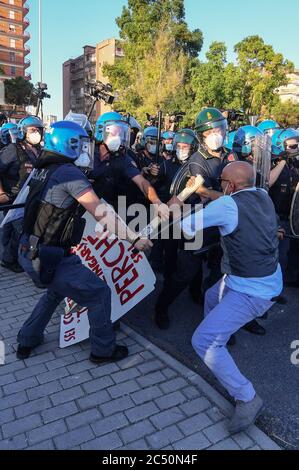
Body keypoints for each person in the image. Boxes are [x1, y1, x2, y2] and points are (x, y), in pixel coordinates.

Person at [16, 120, 152, 362]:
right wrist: (133, 239)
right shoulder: (68, 172)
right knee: (99, 293)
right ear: (68, 144)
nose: (82, 149)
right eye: (78, 144)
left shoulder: (42, 167)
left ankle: (27, 338)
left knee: (56, 291)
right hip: (48, 255)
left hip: (30, 249)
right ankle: (103, 350)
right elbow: (99, 212)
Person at [182, 162, 283, 433]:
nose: (220, 186)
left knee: (202, 341)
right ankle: (218, 345)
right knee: (212, 297)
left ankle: (247, 397)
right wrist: (209, 194)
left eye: (222, 182)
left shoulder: (226, 206)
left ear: (231, 186)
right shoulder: (262, 194)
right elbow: (228, 200)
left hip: (252, 289)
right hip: (264, 276)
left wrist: (172, 208)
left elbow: (187, 226)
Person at [92, 112, 169, 221]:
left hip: (111, 212)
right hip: (85, 209)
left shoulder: (122, 158)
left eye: (121, 133)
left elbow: (142, 183)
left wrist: (157, 202)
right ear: (101, 131)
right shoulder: (87, 154)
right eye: (114, 133)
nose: (118, 138)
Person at [0, 116, 44, 273]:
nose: (36, 133)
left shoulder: (39, 150)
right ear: (23, 132)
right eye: (32, 130)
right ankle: (9, 260)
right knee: (19, 230)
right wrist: (1, 193)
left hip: (29, 198)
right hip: (13, 198)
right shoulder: (13, 149)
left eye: (38, 130)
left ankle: (8, 256)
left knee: (13, 230)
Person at [270, 128, 299, 286]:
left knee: (293, 252)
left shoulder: (294, 164)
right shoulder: (272, 164)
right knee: (278, 256)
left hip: (292, 216)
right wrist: (282, 160)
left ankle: (291, 278)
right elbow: (267, 181)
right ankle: (274, 289)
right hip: (276, 217)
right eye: (292, 147)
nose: (296, 150)